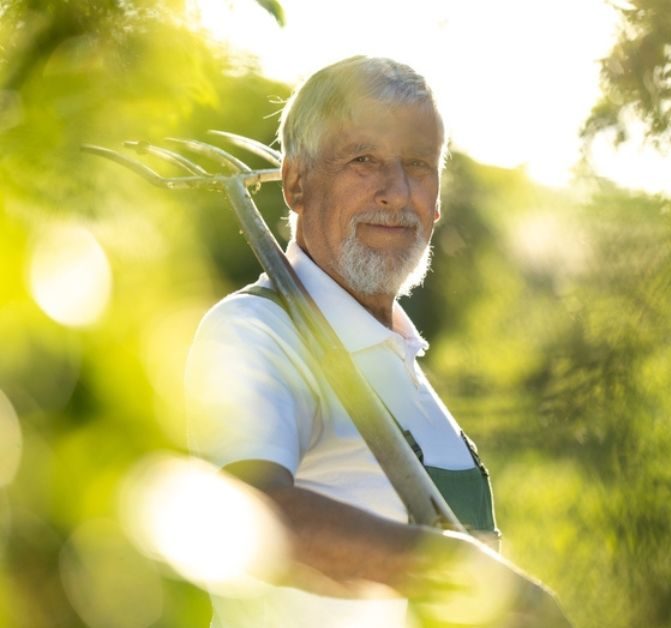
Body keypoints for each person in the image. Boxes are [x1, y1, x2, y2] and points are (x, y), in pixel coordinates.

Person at [184, 56, 569, 627]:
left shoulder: (403, 361)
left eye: (417, 164)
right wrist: (451, 565)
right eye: (363, 161)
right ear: (295, 183)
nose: (395, 192)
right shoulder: (255, 333)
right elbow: (249, 516)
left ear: (437, 200)